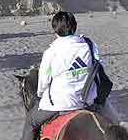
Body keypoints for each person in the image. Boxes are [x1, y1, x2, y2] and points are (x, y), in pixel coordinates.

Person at [21, 11, 119, 140]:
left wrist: (40, 95)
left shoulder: (51, 52)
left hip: (60, 104)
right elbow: (98, 65)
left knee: (31, 122)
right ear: (75, 27)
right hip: (87, 100)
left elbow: (44, 82)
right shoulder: (89, 45)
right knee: (116, 124)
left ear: (55, 30)